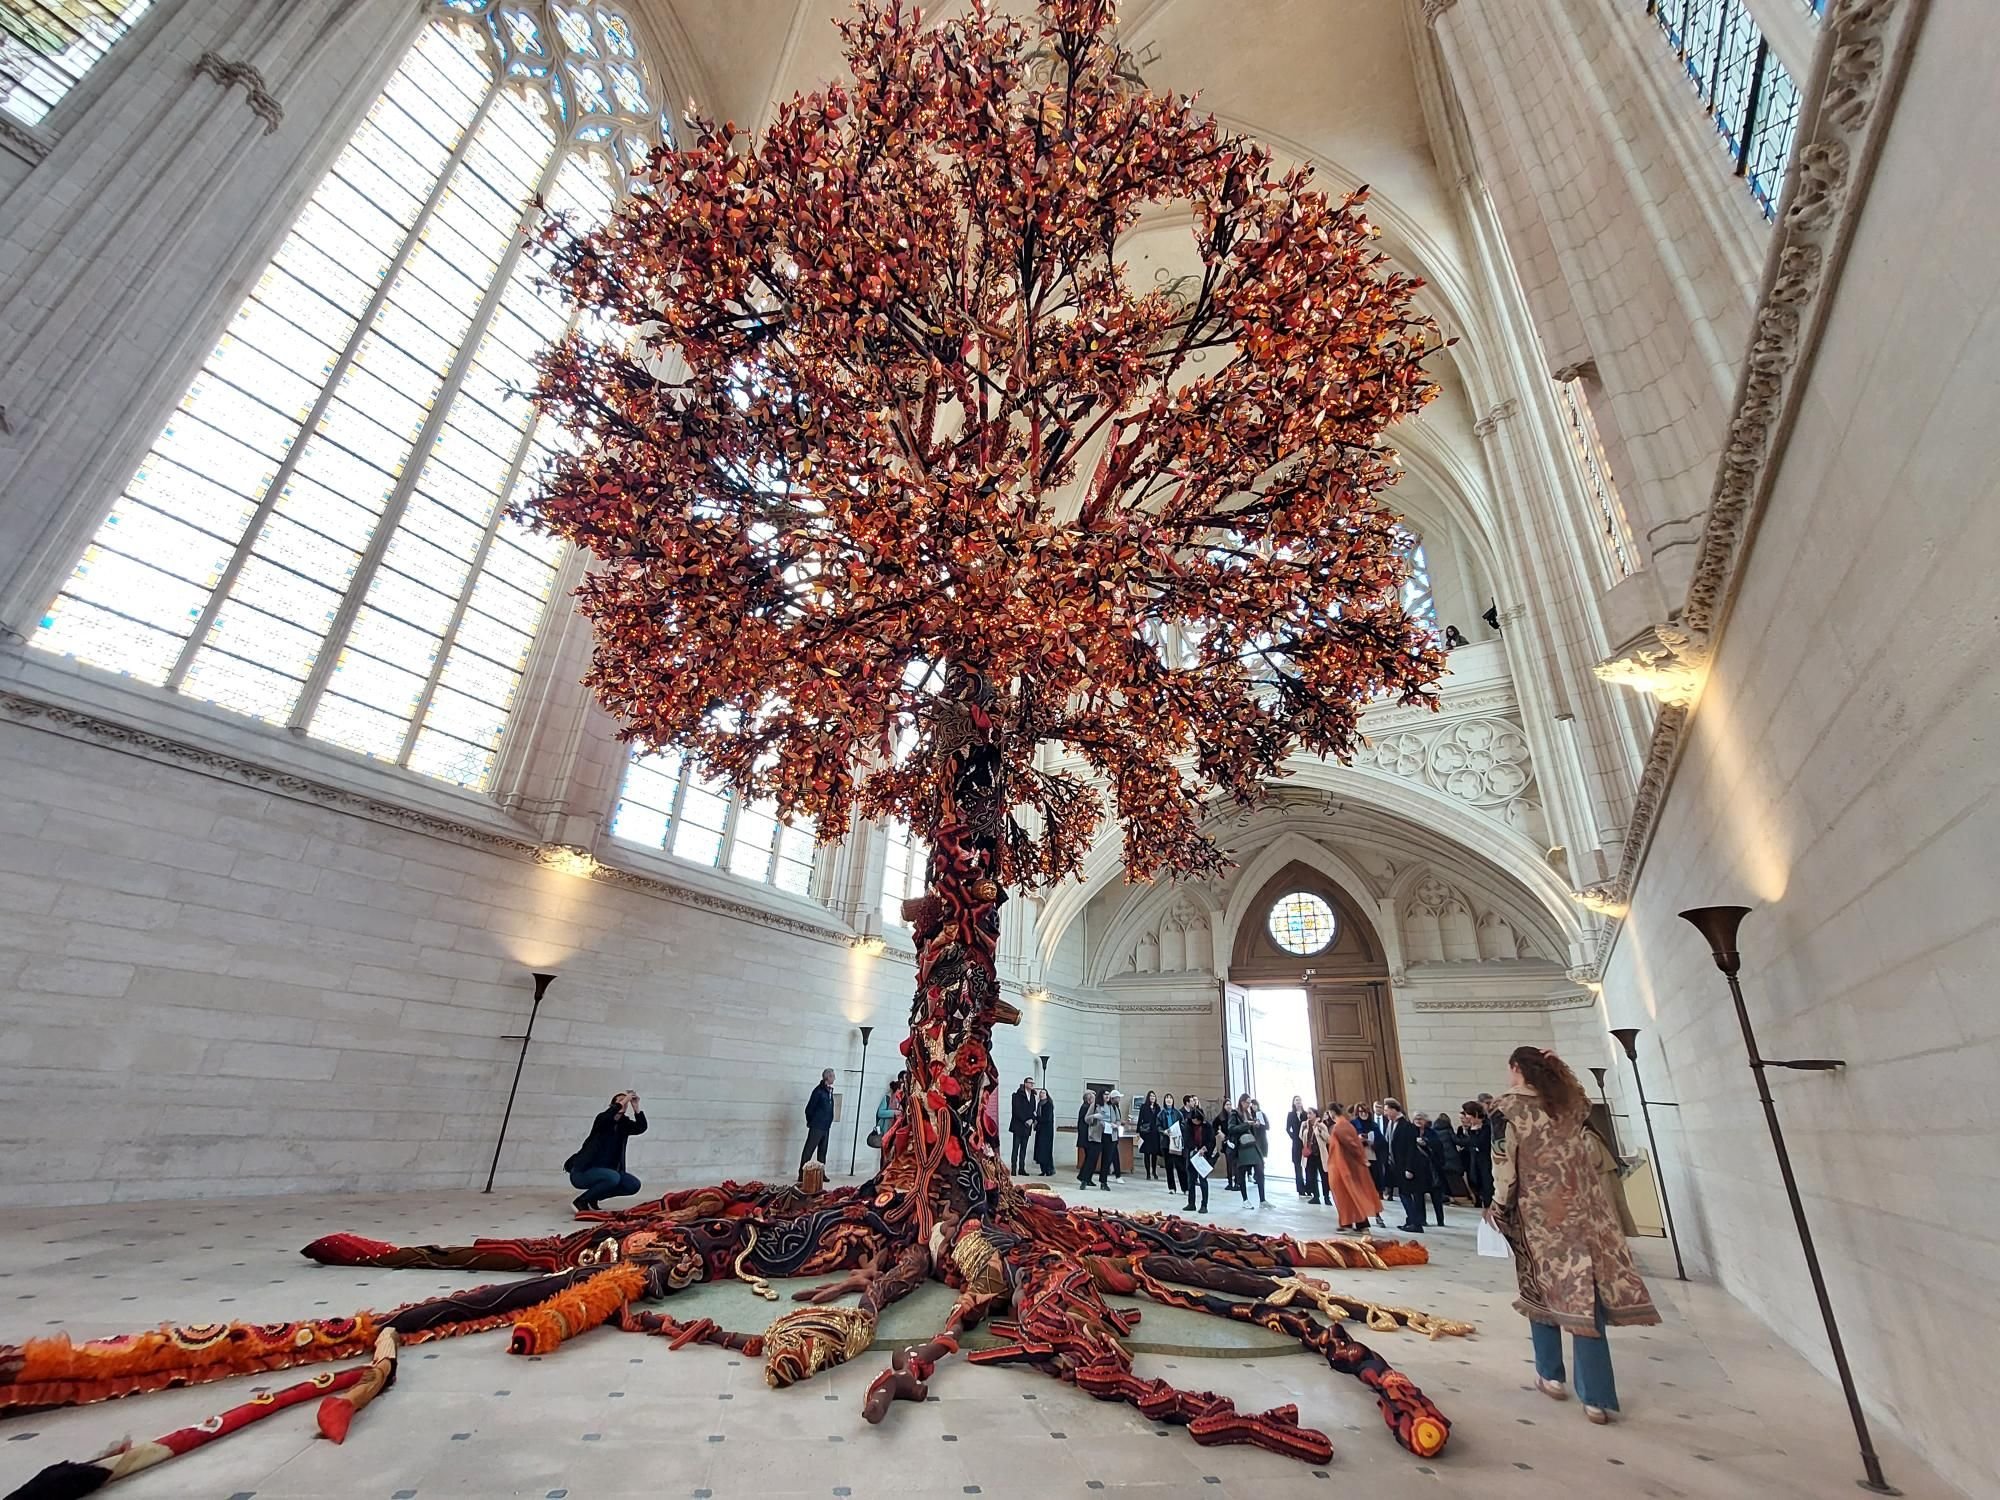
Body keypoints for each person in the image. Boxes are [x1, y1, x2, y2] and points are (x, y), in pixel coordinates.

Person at [1490, 1045, 1659, 1425]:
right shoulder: (1567, 1103)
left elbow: (1505, 1167)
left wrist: (1499, 1207)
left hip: (1539, 1217)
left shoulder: (1507, 1109)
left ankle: (1550, 1375)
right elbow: (1584, 1100)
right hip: (1585, 1214)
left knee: (1540, 1291)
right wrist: (1561, 1067)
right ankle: (1596, 1398)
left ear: (1516, 1068)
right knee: (1587, 1299)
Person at [564, 1090, 648, 1211]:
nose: (623, 1103)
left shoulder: (624, 1124)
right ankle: (580, 1201)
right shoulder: (602, 1119)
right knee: (613, 1177)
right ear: (612, 1105)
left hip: (608, 1172)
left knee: (633, 1185)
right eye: (619, 1101)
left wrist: (636, 1107)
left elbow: (641, 1127)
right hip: (583, 1172)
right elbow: (608, 1117)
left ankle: (593, 1197)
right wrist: (624, 1100)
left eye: (625, 1102)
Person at [1324, 1104, 1382, 1232]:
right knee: (1346, 1195)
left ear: (1332, 1112)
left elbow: (1352, 1144)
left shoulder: (1340, 1126)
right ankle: (1349, 1223)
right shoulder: (1344, 1124)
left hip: (1344, 1166)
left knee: (1348, 1194)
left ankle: (1358, 1223)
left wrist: (1361, 1159)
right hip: (1342, 1165)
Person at [1383, 1098, 1427, 1232]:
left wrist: (1409, 1168)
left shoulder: (1407, 1126)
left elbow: (1410, 1149)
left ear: (1393, 1109)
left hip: (1405, 1166)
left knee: (1405, 1194)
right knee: (1403, 1194)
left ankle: (1416, 1222)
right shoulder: (1391, 1124)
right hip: (1395, 1165)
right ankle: (1410, 1220)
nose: (1385, 1113)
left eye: (1386, 1110)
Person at [1229, 1093, 1268, 1208]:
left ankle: (1262, 1200)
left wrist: (1255, 1125)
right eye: (1247, 1102)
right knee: (1241, 1173)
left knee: (1260, 1170)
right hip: (1241, 1147)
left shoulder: (1249, 1113)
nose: (1249, 1105)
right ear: (1242, 1102)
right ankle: (1245, 1199)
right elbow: (1231, 1129)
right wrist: (1246, 1125)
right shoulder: (1235, 1113)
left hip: (1252, 1145)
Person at [1413, 1113, 1449, 1226]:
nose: (1418, 1121)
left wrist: (1426, 1142)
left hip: (1431, 1168)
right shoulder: (1410, 1132)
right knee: (1418, 1196)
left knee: (1436, 1196)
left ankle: (1440, 1220)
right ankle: (1421, 1220)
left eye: (1421, 1119)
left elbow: (1438, 1146)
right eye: (1416, 1119)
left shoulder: (1431, 1132)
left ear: (1425, 1121)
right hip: (1418, 1168)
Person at [1459, 1100, 1494, 1206]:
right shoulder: (1470, 1129)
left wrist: (1474, 1130)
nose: (1466, 1117)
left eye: (1467, 1114)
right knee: (1478, 1186)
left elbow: (1481, 1144)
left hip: (1487, 1163)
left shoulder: (1487, 1127)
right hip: (1476, 1163)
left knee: (1488, 1189)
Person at [1181, 1095, 1211, 1214]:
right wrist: (1194, 1148)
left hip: (1203, 1156)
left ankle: (1204, 1205)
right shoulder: (1188, 1125)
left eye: (1197, 1121)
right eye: (1193, 1120)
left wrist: (1205, 1148)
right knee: (1191, 1180)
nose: (1195, 1122)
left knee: (1203, 1180)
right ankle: (1191, 1203)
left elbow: (1211, 1140)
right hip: (1192, 1154)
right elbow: (1187, 1139)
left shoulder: (1207, 1126)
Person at [802, 1068, 836, 1171]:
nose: (834, 1079)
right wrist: (811, 1121)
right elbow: (809, 1108)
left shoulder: (829, 1091)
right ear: (828, 1077)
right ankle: (802, 1172)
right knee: (809, 1149)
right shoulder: (818, 1091)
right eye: (833, 1076)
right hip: (817, 1125)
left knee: (822, 1151)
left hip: (826, 1126)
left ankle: (821, 1172)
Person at [1008, 1076, 1037, 1175]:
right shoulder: (1017, 1095)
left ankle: (1021, 1168)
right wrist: (1025, 1120)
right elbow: (1016, 1110)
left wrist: (1031, 1120)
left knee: (1023, 1148)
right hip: (1018, 1125)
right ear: (1025, 1084)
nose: (1032, 1085)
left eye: (1033, 1083)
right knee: (1015, 1147)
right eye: (1030, 1083)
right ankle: (1013, 1168)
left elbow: (1034, 1111)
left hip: (1027, 1126)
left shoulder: (1033, 1097)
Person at [1160, 1094, 1185, 1193]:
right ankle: (1171, 1187)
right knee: (1169, 1166)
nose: (1169, 1100)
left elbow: (1183, 1124)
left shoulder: (1177, 1113)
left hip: (1176, 1141)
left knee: (1180, 1166)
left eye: (1170, 1098)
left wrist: (1178, 1130)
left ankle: (1185, 1188)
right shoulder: (1161, 1114)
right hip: (1166, 1142)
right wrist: (1164, 1131)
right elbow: (1158, 1126)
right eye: (1167, 1098)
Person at [1285, 1095, 1309, 1196]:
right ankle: (1300, 1188)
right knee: (1297, 1166)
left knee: (1307, 1165)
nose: (1298, 1101)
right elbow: (1287, 1128)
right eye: (1296, 1100)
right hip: (1296, 1142)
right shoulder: (1290, 1114)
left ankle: (1309, 1187)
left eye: (1299, 1100)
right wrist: (1293, 1137)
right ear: (1293, 1103)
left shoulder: (1306, 1113)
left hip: (1305, 1141)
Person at [1138, 1090, 1163, 1180]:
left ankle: (1154, 1171)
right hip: (1146, 1133)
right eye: (1151, 1096)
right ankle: (1148, 1172)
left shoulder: (1157, 1107)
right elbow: (1140, 1119)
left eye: (1154, 1096)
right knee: (1147, 1154)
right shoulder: (1144, 1107)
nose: (1152, 1097)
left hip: (1155, 1133)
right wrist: (1139, 1132)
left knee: (1154, 1154)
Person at [1033, 1086, 1056, 1175]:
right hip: (1040, 1129)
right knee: (1040, 1150)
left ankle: (1049, 1169)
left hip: (1047, 1131)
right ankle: (1043, 1170)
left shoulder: (1048, 1104)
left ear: (1047, 1095)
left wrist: (1036, 1117)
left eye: (1043, 1093)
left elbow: (1047, 1118)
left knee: (1045, 1150)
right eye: (1041, 1093)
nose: (1041, 1094)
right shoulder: (1039, 1104)